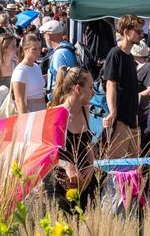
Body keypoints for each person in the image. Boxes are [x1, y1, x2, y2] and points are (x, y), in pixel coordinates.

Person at [42, 66, 99, 214]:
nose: (94, 92)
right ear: (78, 89)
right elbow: (45, 154)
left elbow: (87, 144)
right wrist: (67, 166)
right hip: (58, 185)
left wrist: (91, 165)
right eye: (91, 87)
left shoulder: (85, 109)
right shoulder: (55, 115)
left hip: (83, 184)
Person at [100, 14, 144, 158]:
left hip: (133, 118)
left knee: (133, 169)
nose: (141, 34)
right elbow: (111, 84)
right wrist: (113, 112)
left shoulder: (130, 56)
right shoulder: (115, 53)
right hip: (121, 120)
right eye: (137, 31)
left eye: (141, 31)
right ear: (126, 32)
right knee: (117, 167)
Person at [11, 35, 46, 114]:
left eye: (39, 48)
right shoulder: (20, 71)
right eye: (34, 49)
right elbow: (19, 100)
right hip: (30, 112)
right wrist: (25, 120)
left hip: (42, 109)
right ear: (25, 50)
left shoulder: (36, 67)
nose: (38, 52)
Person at [40, 20, 77, 94]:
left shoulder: (58, 54)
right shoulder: (67, 47)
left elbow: (61, 80)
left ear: (48, 35)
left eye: (44, 35)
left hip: (60, 97)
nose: (44, 38)